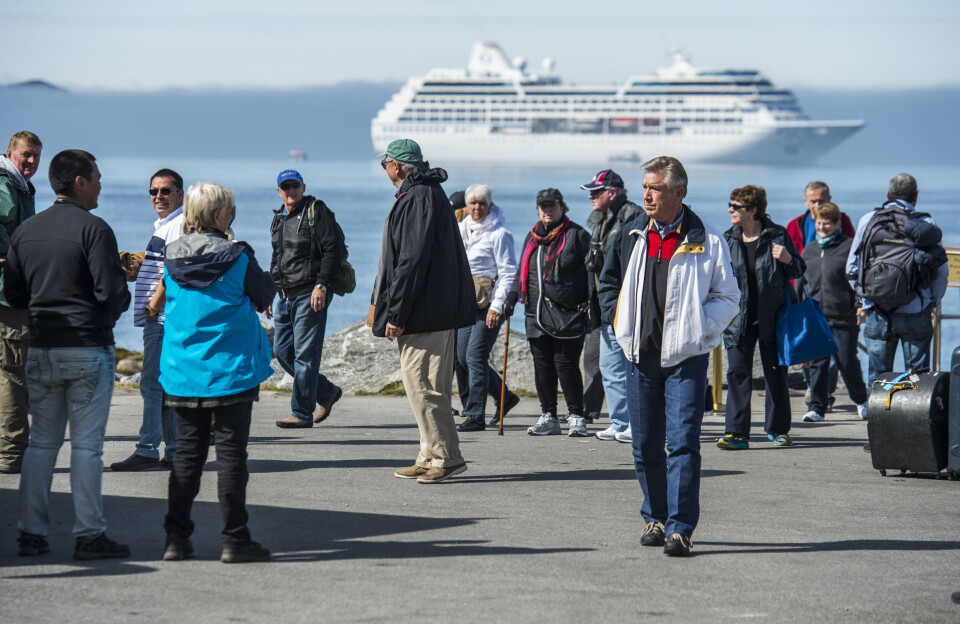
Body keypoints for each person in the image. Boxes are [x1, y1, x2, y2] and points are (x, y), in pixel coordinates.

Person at [598, 156, 739, 557]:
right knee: (643, 444)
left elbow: (728, 298)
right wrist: (617, 319)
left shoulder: (708, 240)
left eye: (656, 188)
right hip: (638, 357)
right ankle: (655, 518)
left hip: (684, 360)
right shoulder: (630, 234)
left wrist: (699, 331)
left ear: (679, 192)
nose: (646, 194)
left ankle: (680, 528)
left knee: (681, 443)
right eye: (645, 186)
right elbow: (607, 283)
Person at [7, 149, 132, 559]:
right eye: (96, 177)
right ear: (79, 181)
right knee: (86, 448)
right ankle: (89, 535)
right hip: (85, 348)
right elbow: (111, 294)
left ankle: (31, 532)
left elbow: (14, 294)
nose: (100, 184)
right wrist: (110, 312)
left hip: (41, 347)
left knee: (42, 445)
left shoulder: (26, 232)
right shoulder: (94, 230)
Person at [160, 181, 275, 563]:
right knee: (230, 458)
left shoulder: (170, 258)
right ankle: (235, 541)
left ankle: (176, 539)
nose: (233, 213)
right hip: (230, 371)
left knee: (187, 458)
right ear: (216, 216)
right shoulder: (238, 257)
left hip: (183, 370)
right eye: (229, 209)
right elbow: (263, 295)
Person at [375, 139, 474, 483]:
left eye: (384, 161)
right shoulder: (425, 194)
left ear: (399, 166)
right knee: (432, 384)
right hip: (434, 307)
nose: (384, 166)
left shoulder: (417, 197)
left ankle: (446, 456)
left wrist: (396, 314)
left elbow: (410, 262)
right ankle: (429, 452)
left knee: (422, 385)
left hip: (424, 310)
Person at [718, 185, 804, 450]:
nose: (730, 210)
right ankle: (736, 433)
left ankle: (778, 430)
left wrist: (788, 259)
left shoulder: (777, 236)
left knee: (776, 374)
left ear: (753, 210)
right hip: (738, 317)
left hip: (772, 317)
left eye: (736, 206)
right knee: (737, 373)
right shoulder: (728, 239)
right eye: (730, 205)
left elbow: (798, 270)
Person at [110, 169, 186, 471]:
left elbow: (176, 271)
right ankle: (175, 451)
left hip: (164, 318)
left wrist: (153, 306)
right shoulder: (166, 225)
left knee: (152, 385)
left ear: (180, 193)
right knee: (166, 386)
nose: (159, 197)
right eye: (153, 191)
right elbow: (164, 266)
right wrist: (140, 270)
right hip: (165, 317)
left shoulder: (178, 225)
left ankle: (147, 448)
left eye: (166, 191)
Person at [505, 188, 592, 438]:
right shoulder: (532, 238)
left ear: (561, 207)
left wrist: (590, 304)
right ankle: (549, 416)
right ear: (537, 209)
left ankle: (576, 416)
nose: (547, 210)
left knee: (565, 365)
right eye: (543, 206)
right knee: (542, 365)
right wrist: (511, 298)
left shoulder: (576, 235)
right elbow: (522, 270)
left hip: (569, 314)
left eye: (552, 205)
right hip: (536, 312)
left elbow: (592, 273)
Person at [846, 173, 948, 385]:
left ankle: (876, 418)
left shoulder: (868, 220)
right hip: (916, 310)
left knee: (879, 377)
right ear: (915, 197)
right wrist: (932, 302)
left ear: (888, 194)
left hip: (878, 311)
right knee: (918, 378)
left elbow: (851, 268)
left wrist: (865, 301)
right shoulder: (926, 223)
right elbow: (941, 272)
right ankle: (916, 418)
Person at [269, 170, 344, 429]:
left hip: (309, 293)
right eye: (285, 186)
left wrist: (321, 285)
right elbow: (277, 257)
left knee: (305, 356)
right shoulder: (279, 218)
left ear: (303, 187)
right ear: (279, 191)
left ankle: (301, 413)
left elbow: (332, 248)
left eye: (295, 185)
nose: (290, 190)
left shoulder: (316, 211)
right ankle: (325, 392)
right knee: (281, 351)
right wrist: (269, 291)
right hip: (283, 295)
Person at [580, 169, 643, 442]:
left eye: (596, 192)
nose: (592, 197)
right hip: (604, 306)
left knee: (631, 367)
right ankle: (619, 422)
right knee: (609, 367)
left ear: (612, 193)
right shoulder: (599, 221)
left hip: (628, 305)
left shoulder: (635, 218)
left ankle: (635, 423)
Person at [455, 184, 519, 432]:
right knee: (462, 357)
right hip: (466, 303)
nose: (477, 208)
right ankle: (505, 397)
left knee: (474, 356)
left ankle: (475, 415)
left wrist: (497, 307)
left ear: (489, 205)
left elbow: (508, 272)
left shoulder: (500, 234)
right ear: (467, 206)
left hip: (489, 303)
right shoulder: (462, 229)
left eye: (482, 203)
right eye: (473, 203)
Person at [786, 181, 853, 410]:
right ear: (805, 201)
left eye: (821, 200)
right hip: (806, 296)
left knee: (833, 353)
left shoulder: (842, 222)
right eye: (813, 201)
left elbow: (853, 257)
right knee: (808, 349)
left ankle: (823, 396)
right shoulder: (796, 225)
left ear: (830, 199)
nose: (817, 205)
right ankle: (814, 391)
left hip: (836, 299)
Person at [800, 202, 869, 422]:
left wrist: (861, 305)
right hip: (816, 317)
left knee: (847, 361)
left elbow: (859, 280)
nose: (822, 227)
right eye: (819, 223)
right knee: (818, 363)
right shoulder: (809, 249)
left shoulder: (849, 247)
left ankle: (861, 400)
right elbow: (802, 284)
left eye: (827, 223)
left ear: (838, 223)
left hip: (844, 315)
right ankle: (817, 407)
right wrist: (799, 310)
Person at [0, 130, 41, 475]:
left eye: (36, 156)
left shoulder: (21, 188)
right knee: (12, 374)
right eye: (25, 154)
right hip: (7, 295)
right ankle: (11, 455)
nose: (30, 161)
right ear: (10, 152)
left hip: (15, 292)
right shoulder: (6, 188)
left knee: (12, 373)